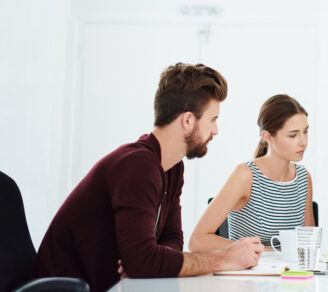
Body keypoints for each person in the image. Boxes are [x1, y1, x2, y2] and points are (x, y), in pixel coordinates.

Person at [33, 63, 264, 292]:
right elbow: (142, 261)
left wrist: (149, 260)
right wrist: (224, 259)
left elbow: (171, 240)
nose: (216, 130)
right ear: (188, 120)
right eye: (213, 119)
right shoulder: (137, 166)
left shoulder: (172, 168)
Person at [190, 94, 314, 251]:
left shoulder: (303, 177)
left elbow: (308, 244)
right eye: (293, 135)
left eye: (306, 131)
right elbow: (198, 241)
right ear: (267, 136)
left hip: (289, 273)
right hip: (248, 272)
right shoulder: (246, 175)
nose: (303, 141)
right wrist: (267, 251)